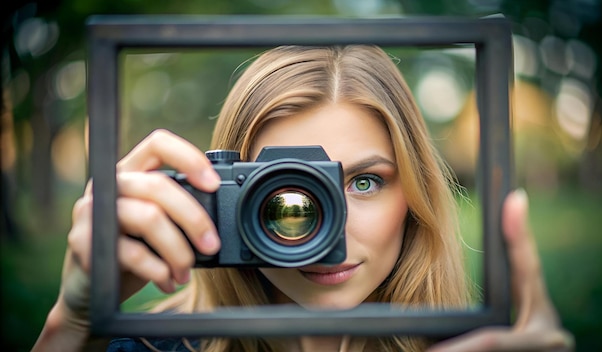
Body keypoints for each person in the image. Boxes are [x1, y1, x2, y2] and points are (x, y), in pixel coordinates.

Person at [32, 45, 573, 352]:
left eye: (364, 182)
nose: (324, 231)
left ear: (415, 194)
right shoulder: (153, 348)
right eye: (287, 192)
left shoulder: (479, 347)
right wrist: (73, 325)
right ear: (223, 198)